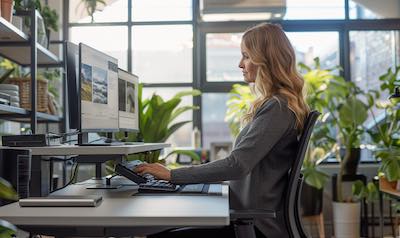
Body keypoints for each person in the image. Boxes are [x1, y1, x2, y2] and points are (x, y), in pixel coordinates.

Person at [134, 22, 310, 238]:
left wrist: (171, 174)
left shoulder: (278, 107)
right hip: (245, 218)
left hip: (253, 227)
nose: (240, 64)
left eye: (246, 56)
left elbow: (237, 165)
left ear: (265, 60)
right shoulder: (277, 105)